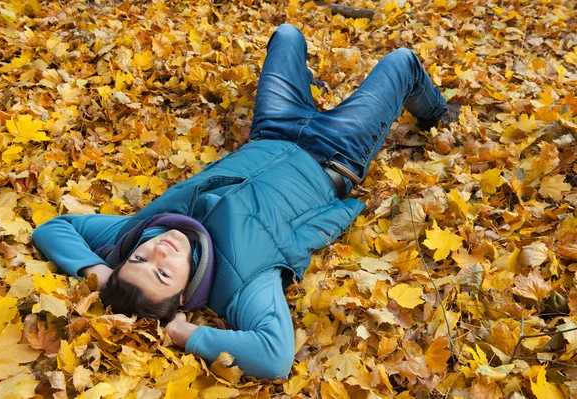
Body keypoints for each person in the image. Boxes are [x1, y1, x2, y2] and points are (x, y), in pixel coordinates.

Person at [32, 24, 460, 380]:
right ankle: (436, 114)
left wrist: (99, 273)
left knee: (288, 34)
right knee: (401, 61)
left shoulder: (136, 231)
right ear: (184, 298)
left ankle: (311, 92)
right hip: (336, 152)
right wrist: (189, 337)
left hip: (275, 127)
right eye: (163, 273)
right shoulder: (241, 285)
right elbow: (273, 358)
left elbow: (51, 228)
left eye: (139, 260)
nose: (158, 251)